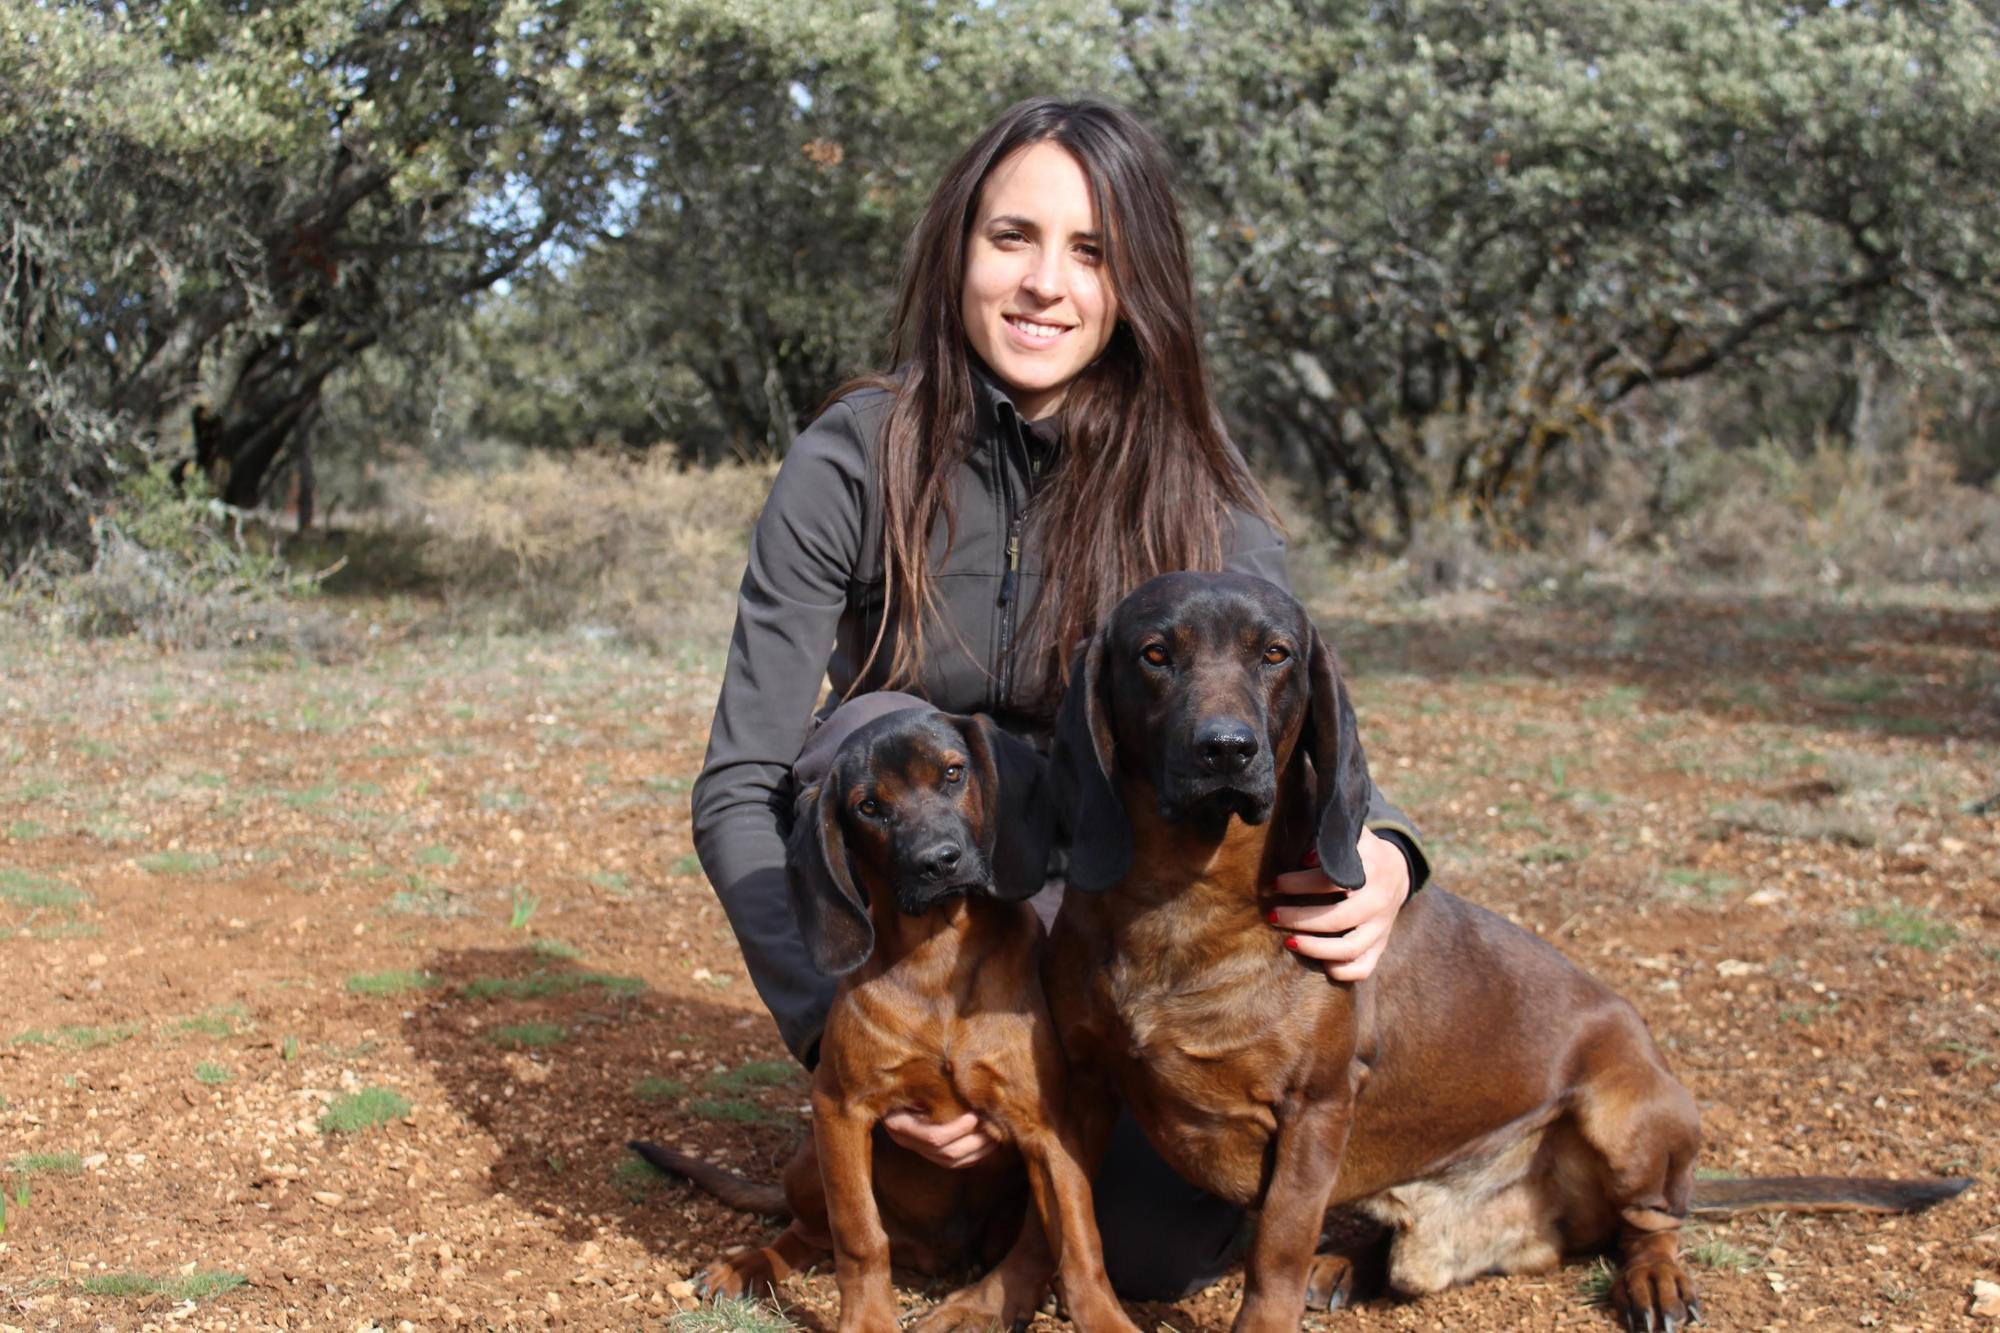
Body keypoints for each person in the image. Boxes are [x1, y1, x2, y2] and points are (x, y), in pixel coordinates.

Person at [690, 95, 1430, 1298]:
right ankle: (912, 1096)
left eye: (1090, 252)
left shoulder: (1200, 491)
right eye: (1011, 239)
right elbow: (739, 786)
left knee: (1141, 1252)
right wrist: (826, 1023)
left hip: (1095, 915)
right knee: (884, 729)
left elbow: (1278, 711)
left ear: (1137, 282)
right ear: (957, 253)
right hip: (925, 906)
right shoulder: (850, 459)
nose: (1045, 284)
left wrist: (1387, 847)